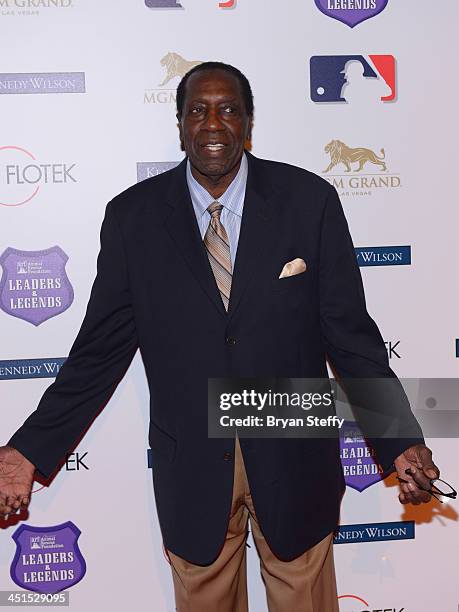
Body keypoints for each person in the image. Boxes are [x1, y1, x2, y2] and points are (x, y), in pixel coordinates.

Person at [1, 62, 439, 612]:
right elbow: (98, 354)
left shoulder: (310, 202)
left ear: (248, 122)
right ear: (180, 124)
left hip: (292, 450)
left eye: (228, 109)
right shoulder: (132, 219)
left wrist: (400, 442)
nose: (213, 123)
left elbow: (352, 340)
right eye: (198, 111)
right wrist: (27, 451)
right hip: (192, 464)